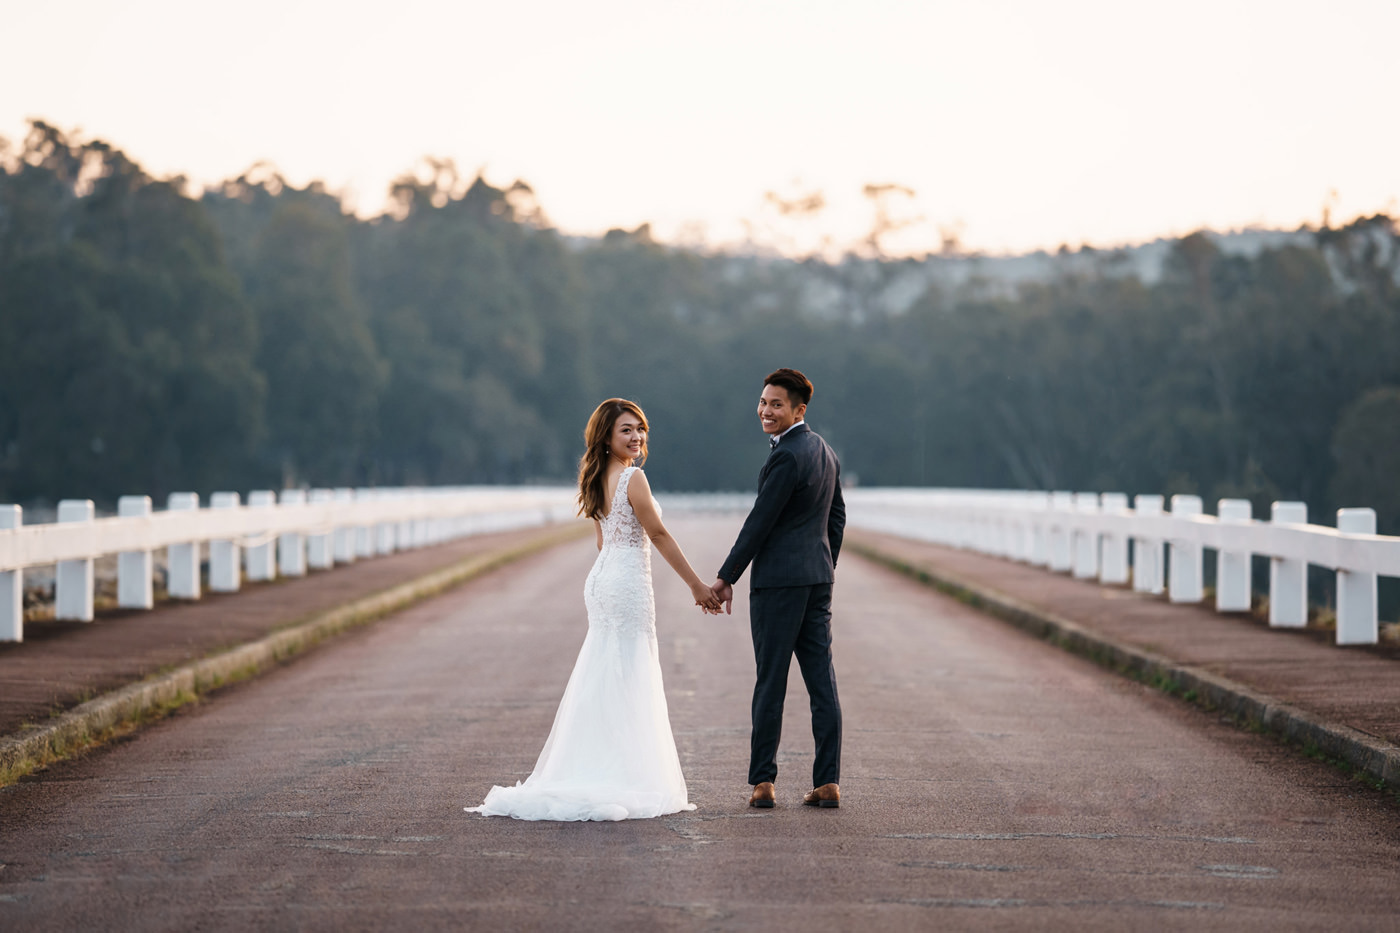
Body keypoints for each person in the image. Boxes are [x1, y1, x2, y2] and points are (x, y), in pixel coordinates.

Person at [465, 398, 721, 821]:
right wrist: (696, 585)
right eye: (626, 430)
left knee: (605, 667)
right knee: (629, 669)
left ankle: (592, 763)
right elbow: (656, 533)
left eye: (640, 429)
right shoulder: (633, 478)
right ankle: (621, 772)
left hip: (603, 577)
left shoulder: (598, 475)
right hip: (624, 582)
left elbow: (603, 540)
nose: (636, 437)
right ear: (606, 435)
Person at [712, 368, 846, 810]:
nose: (766, 411)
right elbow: (837, 519)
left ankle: (763, 783)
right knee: (821, 682)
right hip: (817, 580)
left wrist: (726, 576)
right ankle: (827, 782)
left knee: (771, 682)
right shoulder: (824, 450)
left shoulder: (787, 455)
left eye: (776, 405)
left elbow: (759, 522)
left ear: (798, 410)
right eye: (764, 402)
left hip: (779, 585)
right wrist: (824, 564)